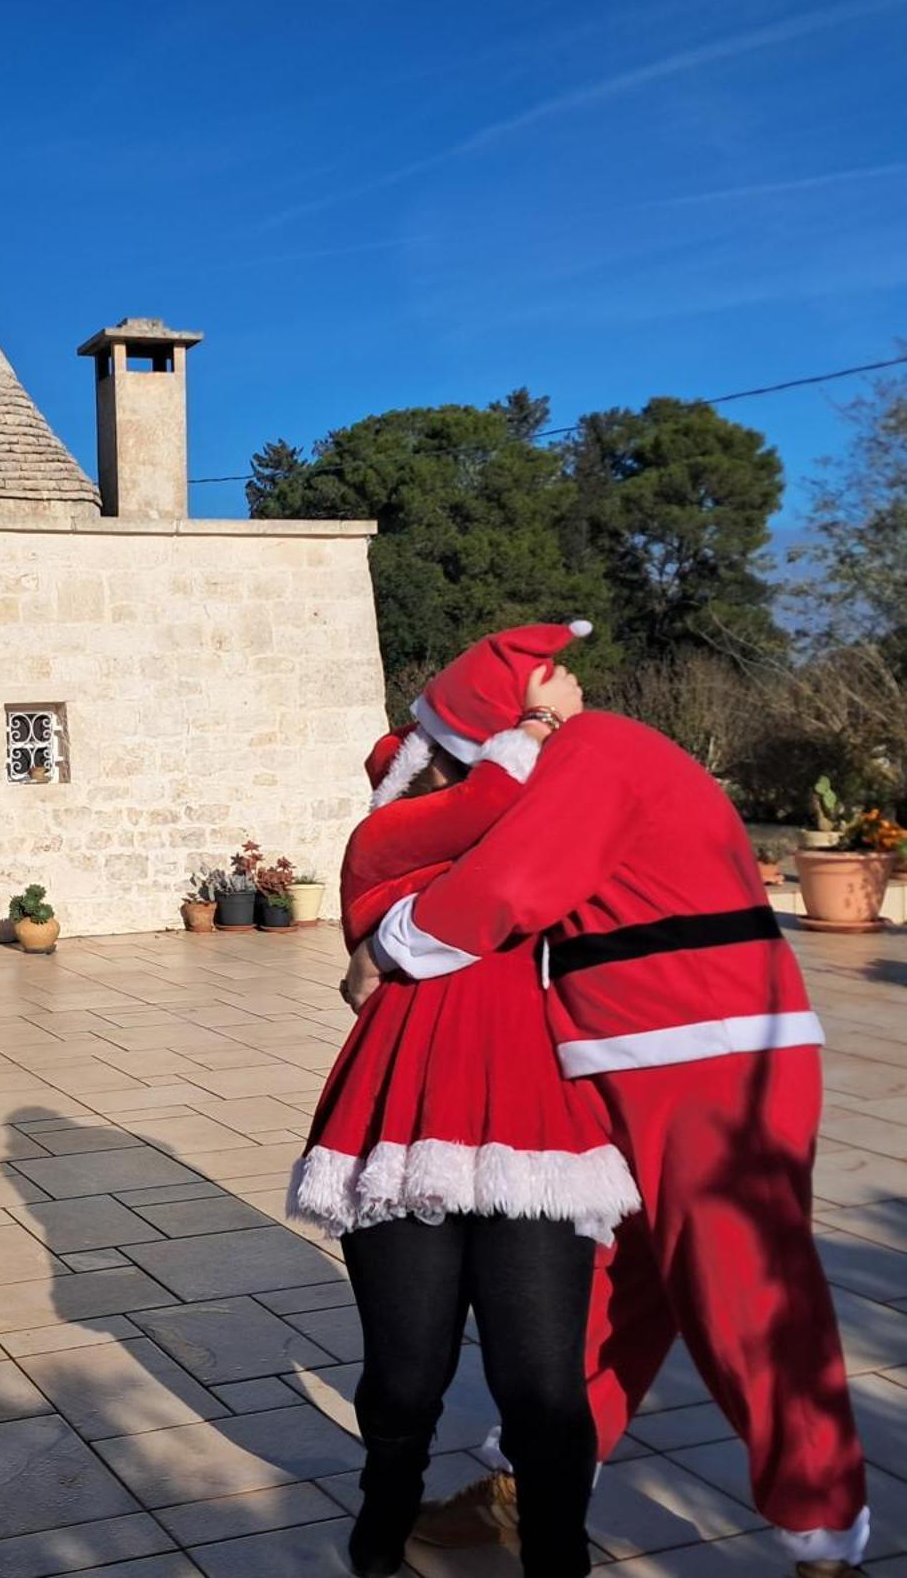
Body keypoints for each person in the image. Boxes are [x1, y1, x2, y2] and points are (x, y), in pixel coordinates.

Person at [345, 625, 871, 1577]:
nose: (567, 676)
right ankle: (525, 1486)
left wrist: (386, 947)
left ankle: (823, 1535)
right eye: (541, 674)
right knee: (620, 1287)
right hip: (646, 1056)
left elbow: (509, 885)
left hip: (706, 1058)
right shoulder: (572, 756)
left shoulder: (600, 751)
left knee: (744, 1289)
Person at [291, 620, 639, 1578]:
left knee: (543, 1388)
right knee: (407, 1379)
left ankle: (557, 1558)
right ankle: (382, 1523)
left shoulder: (549, 832)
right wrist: (535, 724)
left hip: (541, 1126)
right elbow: (487, 817)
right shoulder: (385, 834)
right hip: (400, 1119)